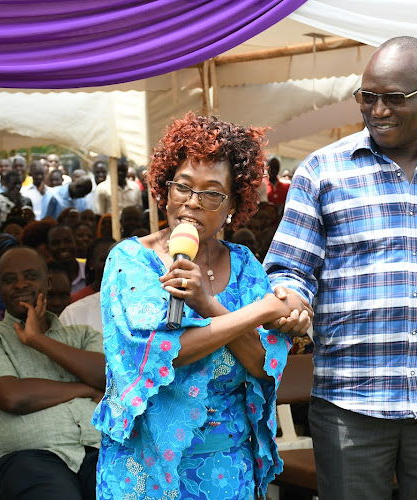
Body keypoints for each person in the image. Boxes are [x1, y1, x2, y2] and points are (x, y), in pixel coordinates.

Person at [263, 36, 417, 500]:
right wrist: (291, 299)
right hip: (349, 403)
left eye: (393, 98)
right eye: (367, 96)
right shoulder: (323, 171)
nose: (377, 109)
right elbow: (289, 268)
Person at [93, 113, 310, 499]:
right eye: (183, 187)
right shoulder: (130, 261)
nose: (192, 203)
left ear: (233, 204)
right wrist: (259, 311)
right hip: (145, 470)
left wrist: (208, 304)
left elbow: (263, 363)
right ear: (164, 188)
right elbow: (161, 353)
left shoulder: (244, 265)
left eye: (211, 193)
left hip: (227, 470)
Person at [0, 247, 104, 500]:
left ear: (47, 282)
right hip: (26, 456)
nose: (20, 284)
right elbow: (13, 397)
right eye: (9, 279)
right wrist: (85, 388)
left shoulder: (81, 335)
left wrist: (38, 340)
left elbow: (105, 377)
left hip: (99, 449)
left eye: (29, 276)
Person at [46, 225, 86, 294]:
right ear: (48, 248)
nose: (62, 246)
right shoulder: (44, 276)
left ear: (76, 243)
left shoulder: (89, 272)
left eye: (67, 241)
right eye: (56, 243)